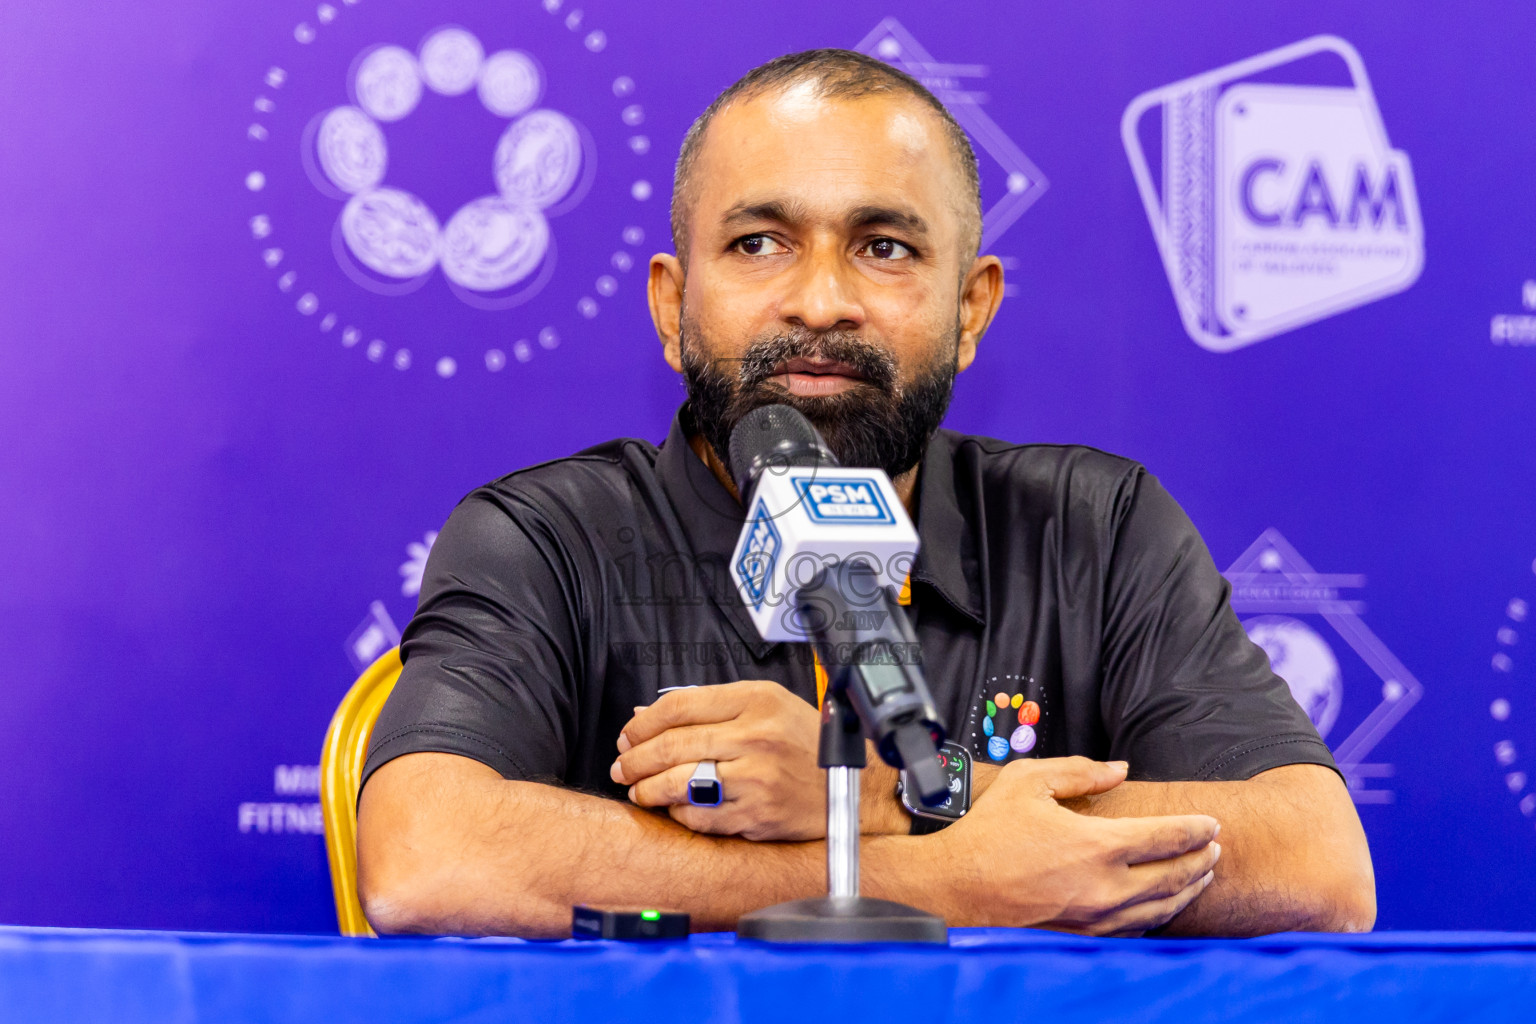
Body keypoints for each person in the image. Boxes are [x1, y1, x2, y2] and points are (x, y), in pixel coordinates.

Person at [355, 49, 1375, 938]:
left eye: (884, 247)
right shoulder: (544, 539)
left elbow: (1315, 863)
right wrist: (952, 875)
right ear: (671, 306)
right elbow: (428, 857)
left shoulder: (1094, 528)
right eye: (759, 242)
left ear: (970, 310)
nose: (820, 301)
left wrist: (892, 794)